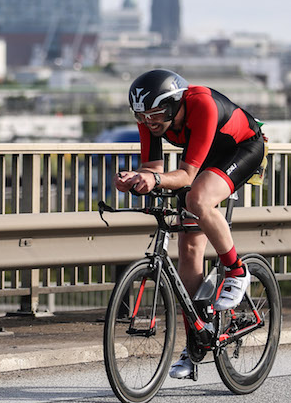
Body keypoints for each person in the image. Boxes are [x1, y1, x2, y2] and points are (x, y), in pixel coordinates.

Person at [113, 68, 267, 380]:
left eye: (156, 115)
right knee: (189, 248)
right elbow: (153, 168)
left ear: (174, 105)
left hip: (243, 148)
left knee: (198, 199)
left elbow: (185, 176)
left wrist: (154, 178)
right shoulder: (147, 120)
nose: (148, 123)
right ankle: (196, 341)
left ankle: (238, 271)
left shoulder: (202, 105)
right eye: (141, 116)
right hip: (205, 156)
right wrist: (135, 180)